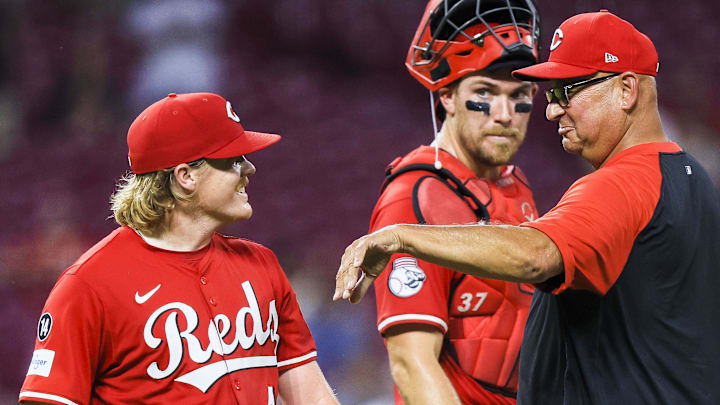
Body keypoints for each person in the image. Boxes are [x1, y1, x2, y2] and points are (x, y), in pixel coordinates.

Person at [335, 10, 720, 404]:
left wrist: (400, 237)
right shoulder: (696, 178)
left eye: (568, 91)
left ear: (626, 90)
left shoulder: (622, 184)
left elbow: (536, 256)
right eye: (551, 95)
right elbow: (411, 364)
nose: (551, 110)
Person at [20, 92, 339, 405]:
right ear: (185, 176)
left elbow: (312, 395)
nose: (249, 169)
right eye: (232, 161)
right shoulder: (88, 287)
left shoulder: (262, 265)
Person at [367, 0, 541, 403]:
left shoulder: (516, 186)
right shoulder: (416, 198)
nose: (504, 114)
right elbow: (411, 364)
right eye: (484, 93)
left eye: (519, 96)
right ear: (446, 96)